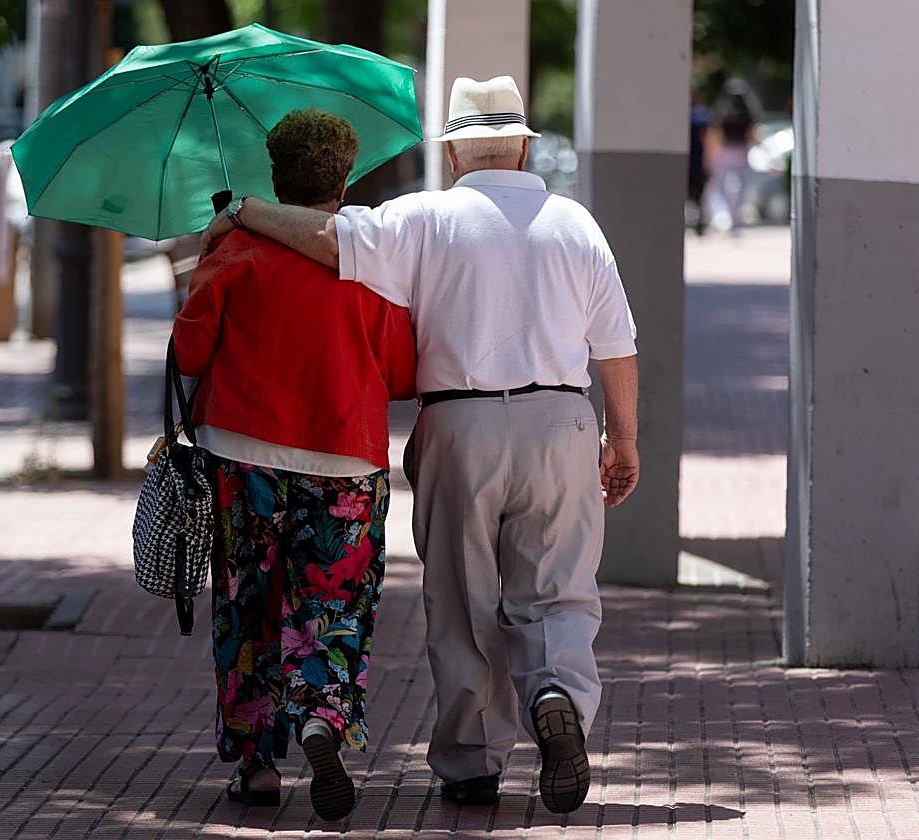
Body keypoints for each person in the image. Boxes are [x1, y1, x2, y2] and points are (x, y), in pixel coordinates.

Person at [201, 76, 640, 815]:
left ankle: (471, 764)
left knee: (462, 600)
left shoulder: (425, 217)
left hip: (459, 424)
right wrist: (621, 437)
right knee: (558, 590)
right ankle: (557, 691)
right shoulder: (576, 224)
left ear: (453, 152)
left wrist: (242, 210)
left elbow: (325, 237)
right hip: (561, 420)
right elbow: (617, 346)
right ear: (525, 146)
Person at [172, 109, 417, 821]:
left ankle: (254, 764)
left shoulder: (234, 251)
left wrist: (206, 262)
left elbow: (189, 356)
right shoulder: (373, 261)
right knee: (334, 603)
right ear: (343, 180)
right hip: (344, 460)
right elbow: (400, 371)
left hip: (242, 458)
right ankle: (322, 718)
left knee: (248, 605)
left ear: (275, 177)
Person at [708, 77, 762, 234]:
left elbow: (716, 134)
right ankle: (735, 219)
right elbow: (753, 134)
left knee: (721, 188)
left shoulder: (722, 110)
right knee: (741, 189)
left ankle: (727, 216)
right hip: (741, 153)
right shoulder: (749, 112)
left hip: (725, 153)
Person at [688, 88, 712, 236]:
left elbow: (708, 139)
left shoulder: (699, 115)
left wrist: (708, 159)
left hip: (696, 161)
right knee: (697, 195)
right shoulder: (700, 115)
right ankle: (699, 220)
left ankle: (700, 221)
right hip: (696, 161)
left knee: (698, 194)